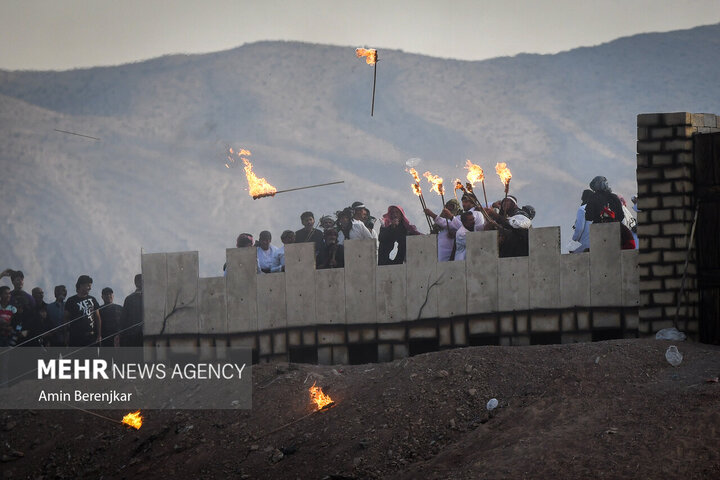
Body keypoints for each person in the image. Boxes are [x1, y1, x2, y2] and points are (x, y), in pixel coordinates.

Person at [64, 275, 102, 347]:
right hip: (76, 338)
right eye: (88, 285)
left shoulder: (93, 299)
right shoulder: (71, 300)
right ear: (81, 285)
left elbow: (98, 317)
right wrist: (66, 335)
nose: (90, 288)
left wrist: (99, 335)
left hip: (91, 337)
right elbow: (66, 319)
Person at [120, 274, 143, 347]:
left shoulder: (129, 298)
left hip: (133, 335)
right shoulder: (129, 299)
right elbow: (124, 319)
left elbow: (123, 320)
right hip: (135, 335)